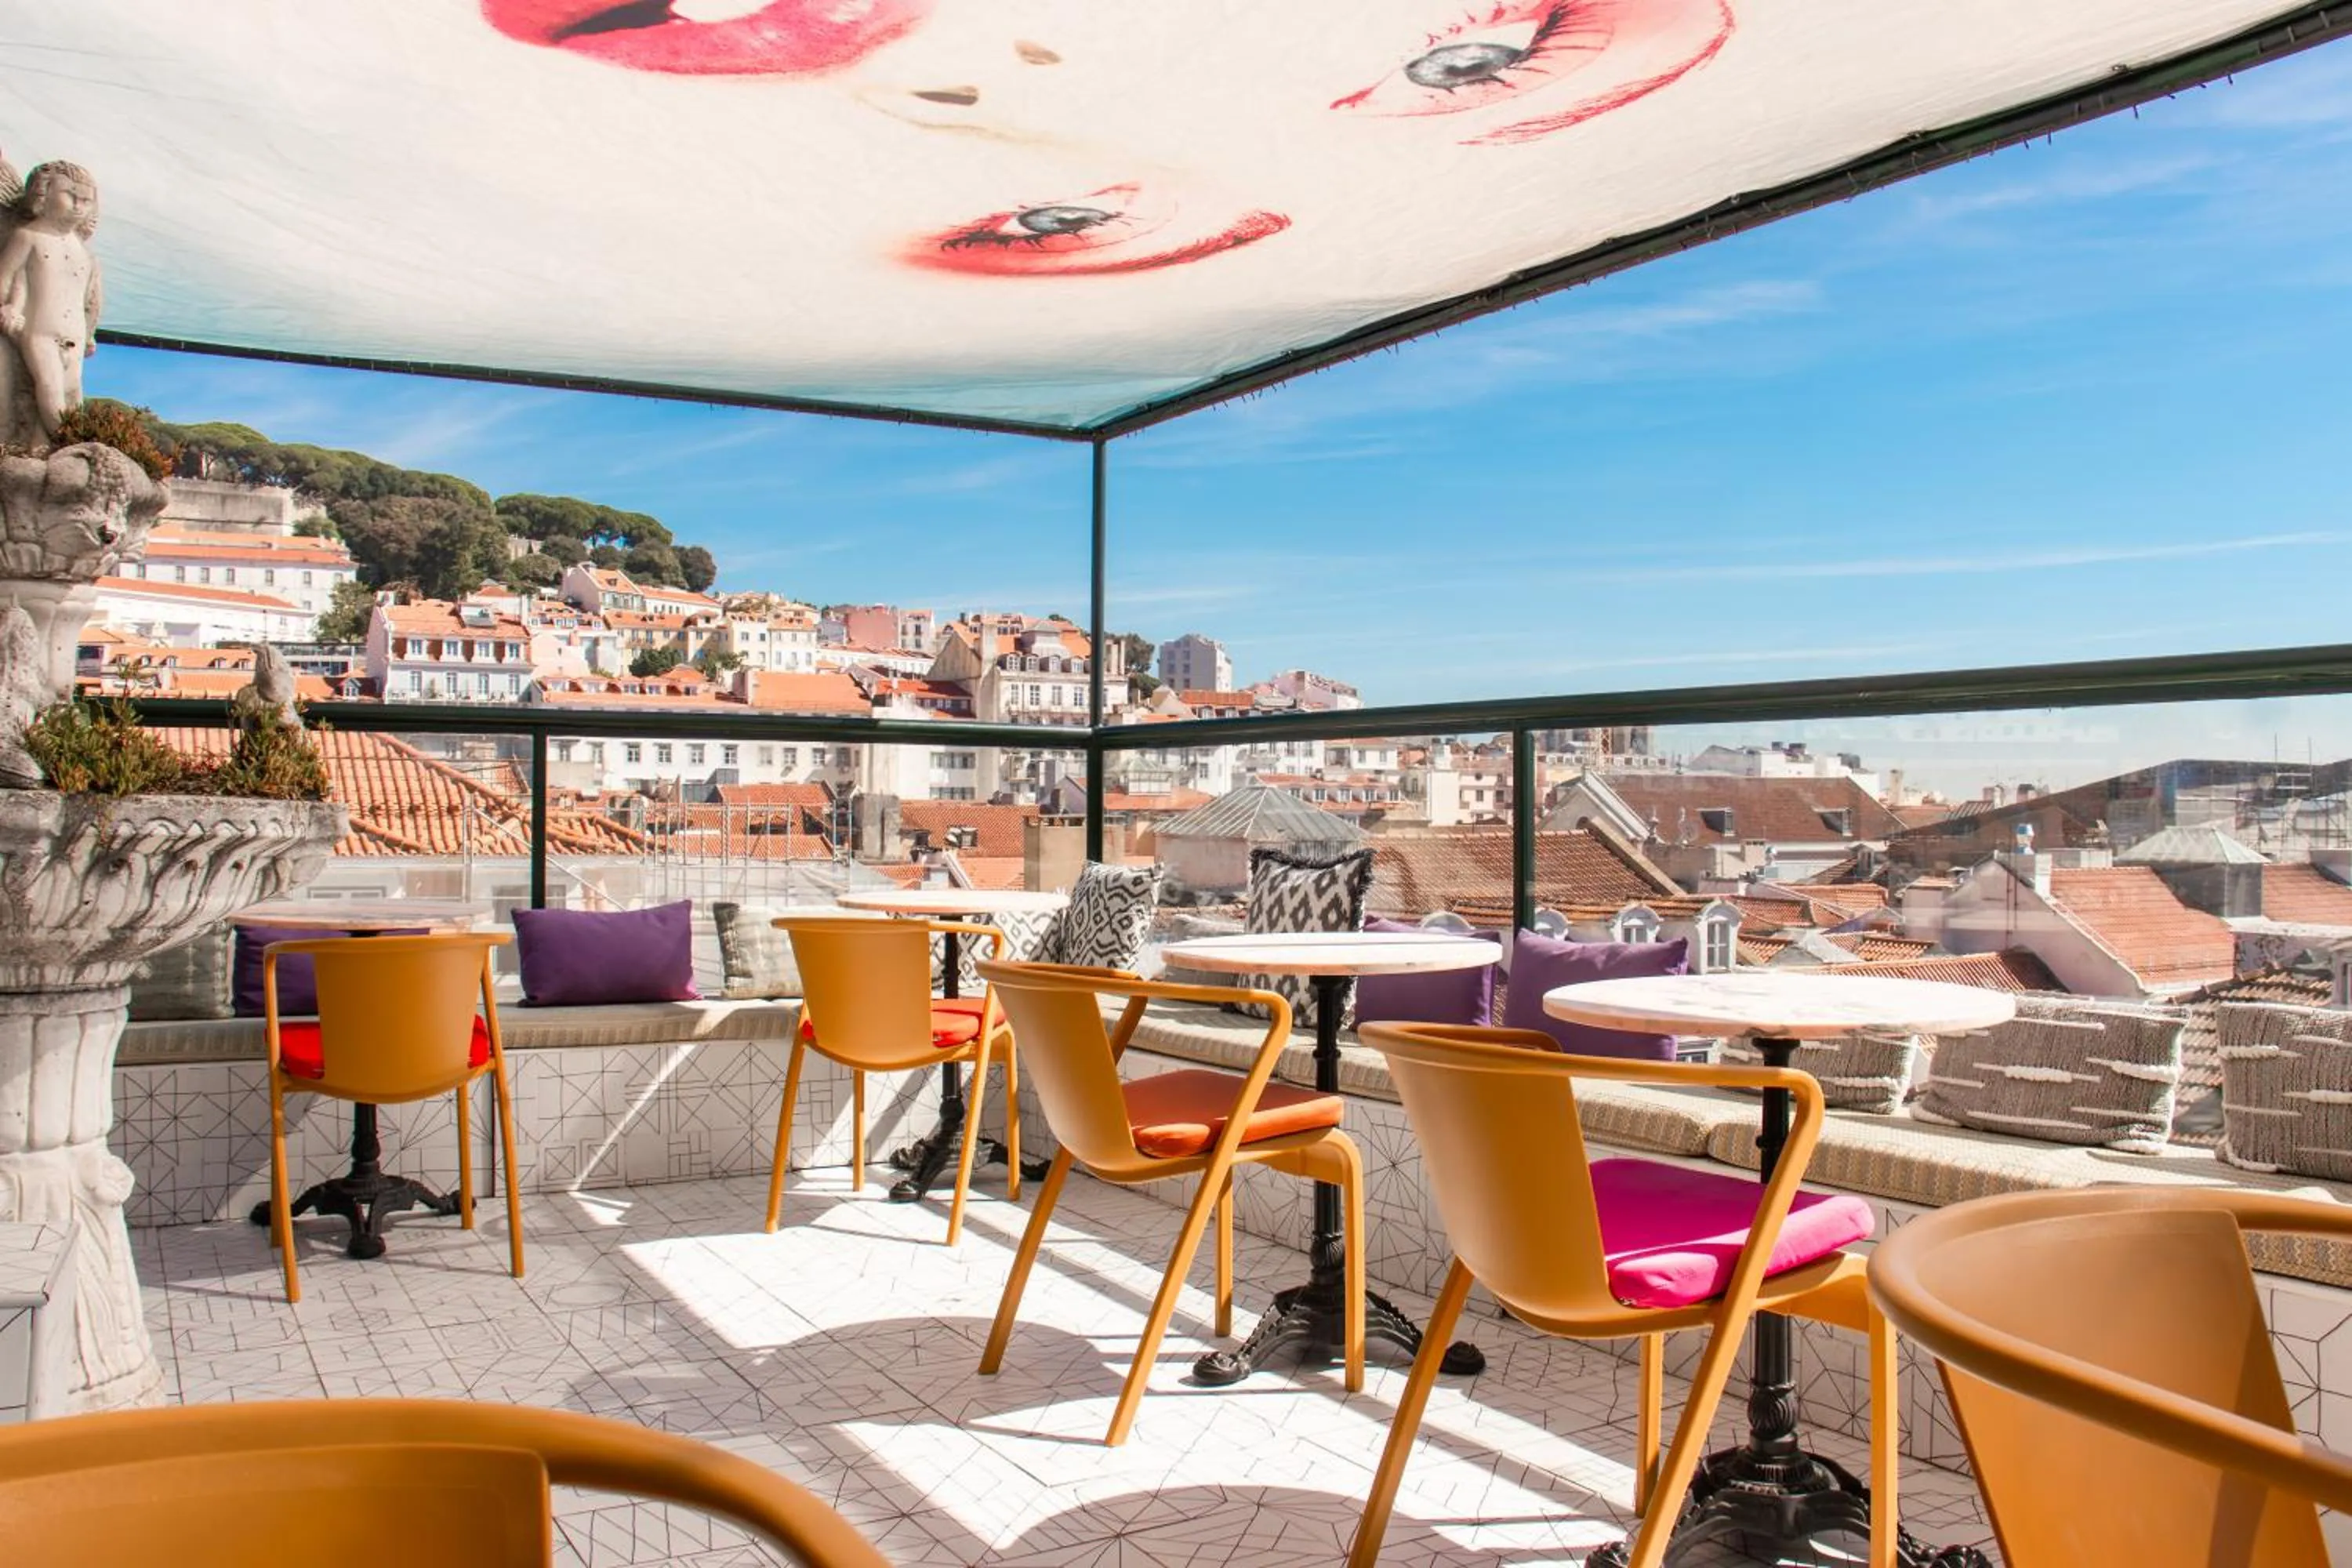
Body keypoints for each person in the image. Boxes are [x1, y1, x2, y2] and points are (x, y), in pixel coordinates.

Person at [0, 161, 102, 444]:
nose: (79, 205)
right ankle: (71, 448)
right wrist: (9, 308)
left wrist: (91, 333)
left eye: (86, 200)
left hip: (76, 336)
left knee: (73, 395)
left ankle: (49, 451)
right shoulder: (27, 237)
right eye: (71, 196)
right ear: (43, 194)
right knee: (50, 392)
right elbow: (7, 280)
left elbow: (89, 299)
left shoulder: (85, 253)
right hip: (40, 332)